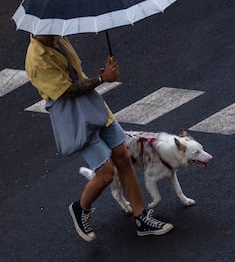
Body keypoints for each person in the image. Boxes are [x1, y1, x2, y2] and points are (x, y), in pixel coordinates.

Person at [25, 34, 173, 242]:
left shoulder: (58, 38)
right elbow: (67, 91)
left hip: (94, 107)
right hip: (74, 117)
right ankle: (81, 207)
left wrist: (102, 74)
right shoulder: (36, 59)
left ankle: (141, 218)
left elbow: (76, 73)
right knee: (106, 173)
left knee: (122, 156)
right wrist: (103, 79)